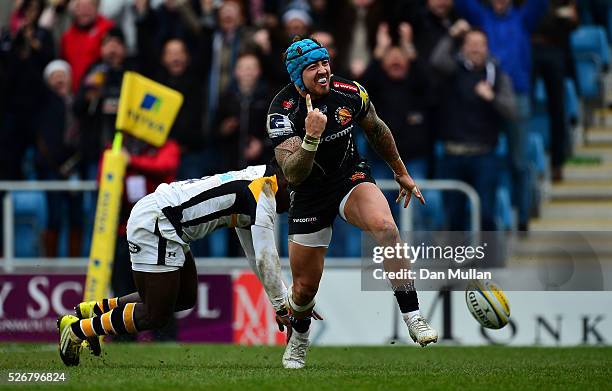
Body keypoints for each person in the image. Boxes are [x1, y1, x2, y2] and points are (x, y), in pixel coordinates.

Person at [267, 37, 437, 369]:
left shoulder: (350, 92)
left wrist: (400, 172)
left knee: (387, 228)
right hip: (308, 194)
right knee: (303, 290)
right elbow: (294, 174)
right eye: (313, 67)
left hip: (349, 178)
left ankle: (413, 316)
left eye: (325, 63)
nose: (323, 71)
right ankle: (300, 339)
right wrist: (312, 137)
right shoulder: (282, 111)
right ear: (297, 75)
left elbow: (376, 129)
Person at [57, 161, 293, 366]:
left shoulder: (257, 180)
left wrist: (281, 304)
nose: (292, 202)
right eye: (293, 192)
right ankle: (79, 331)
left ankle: (95, 310)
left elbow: (254, 256)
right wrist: (283, 307)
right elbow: (265, 257)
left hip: (169, 222)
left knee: (185, 297)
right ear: (284, 181)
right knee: (156, 315)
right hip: (158, 223)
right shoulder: (263, 192)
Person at [431, 28, 517, 230]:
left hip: (484, 155)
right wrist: (451, 35)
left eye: (480, 44)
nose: (476, 49)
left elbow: (512, 111)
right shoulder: (453, 71)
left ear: (487, 48)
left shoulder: (497, 76)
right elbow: (436, 60)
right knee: (453, 217)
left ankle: (489, 261)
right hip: (453, 154)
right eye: (471, 43)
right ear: (463, 47)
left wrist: (492, 98)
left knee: (486, 213)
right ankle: (457, 261)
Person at [60, 0, 114, 93]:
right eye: (80, 7)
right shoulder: (67, 36)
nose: (84, 11)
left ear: (96, 8)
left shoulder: (107, 28)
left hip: (99, 91)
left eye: (89, 7)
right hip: (75, 93)